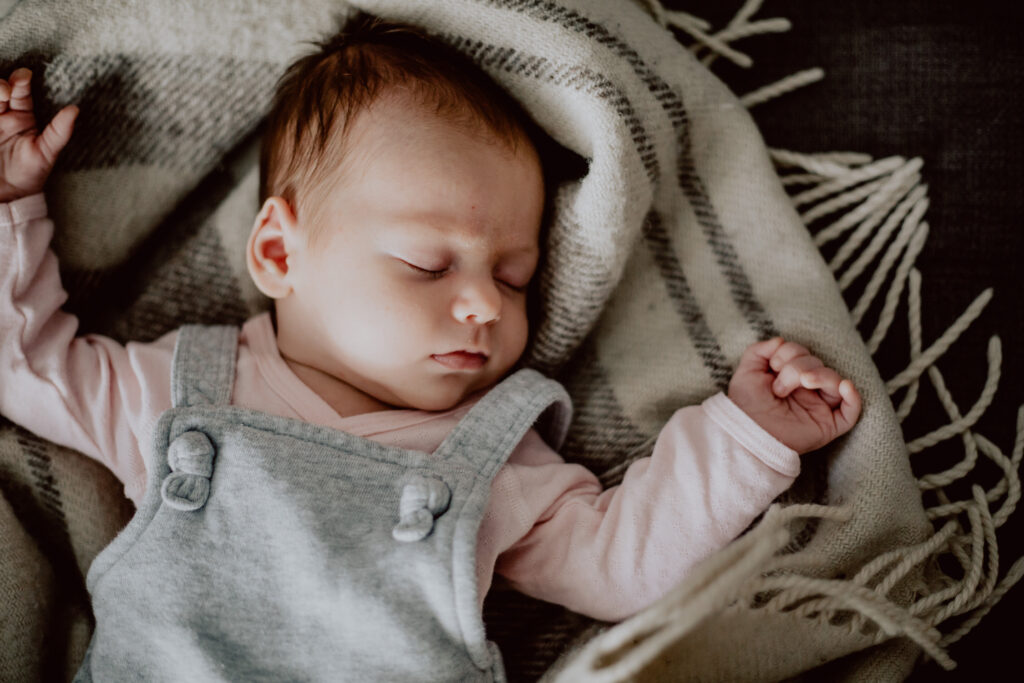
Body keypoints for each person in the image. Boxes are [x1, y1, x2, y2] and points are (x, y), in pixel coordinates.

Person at [0, 13, 862, 681]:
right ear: (277, 253)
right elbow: (23, 362)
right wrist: (13, 206)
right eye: (428, 263)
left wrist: (746, 434)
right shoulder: (177, 391)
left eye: (517, 275)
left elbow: (619, 563)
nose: (485, 302)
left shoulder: (492, 457)